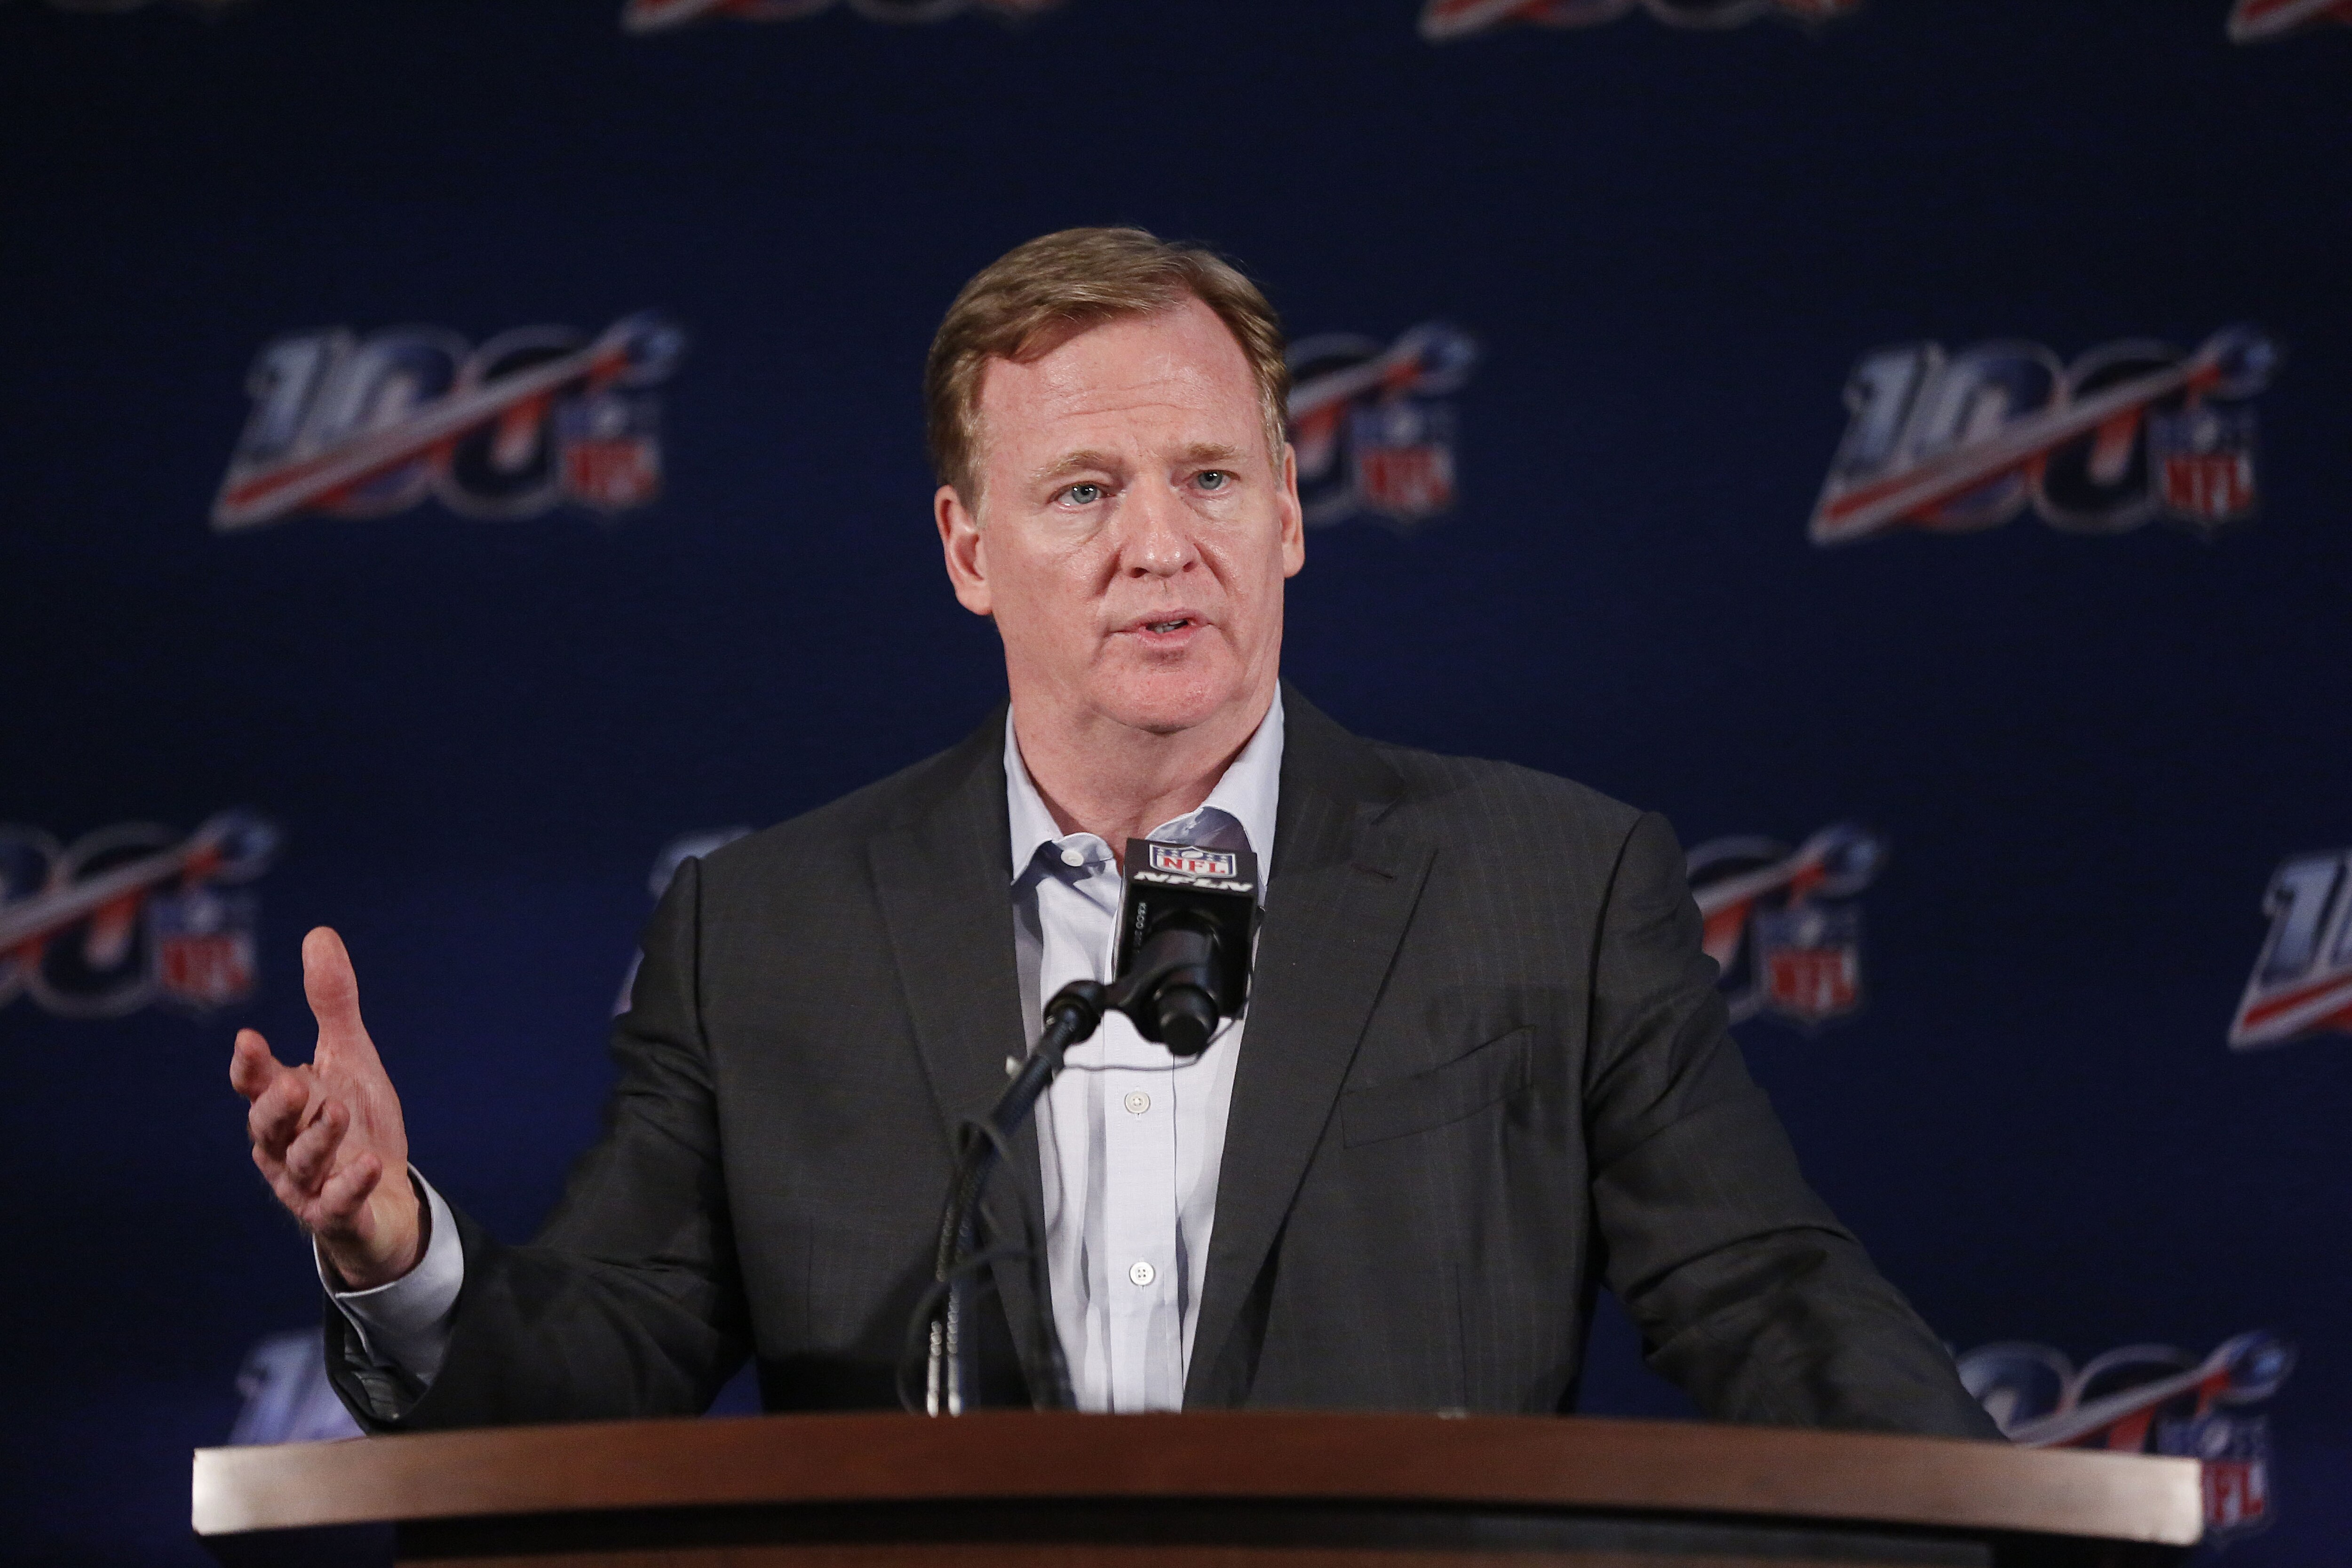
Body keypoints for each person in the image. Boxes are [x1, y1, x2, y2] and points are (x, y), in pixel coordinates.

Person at [231, 226, 2000, 1434]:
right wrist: (396, 1247)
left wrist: (2014, 1516)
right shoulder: (762, 935)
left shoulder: (1548, 890)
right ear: (966, 552)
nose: (1165, 543)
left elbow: (1765, 1297)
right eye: (1085, 492)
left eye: (1212, 478)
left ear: (1293, 514)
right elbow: (598, 1372)